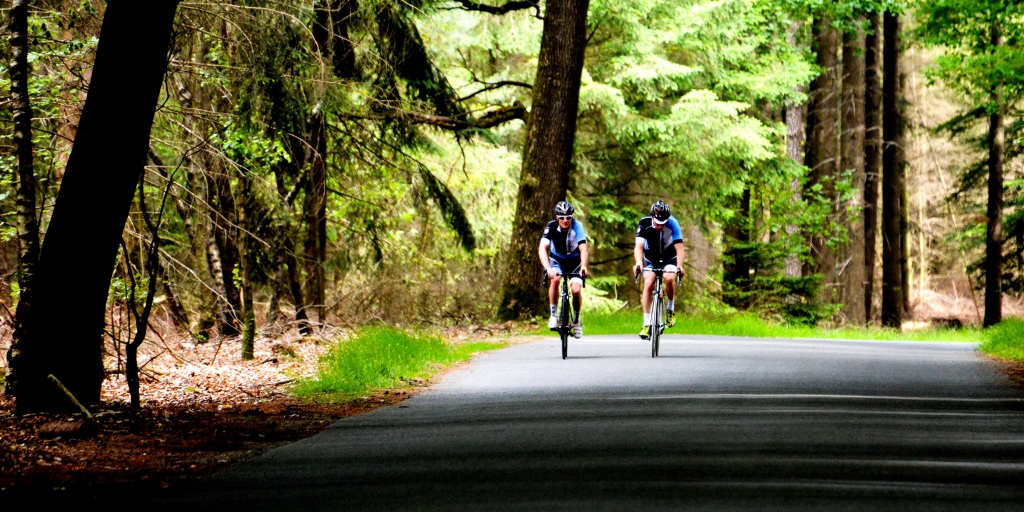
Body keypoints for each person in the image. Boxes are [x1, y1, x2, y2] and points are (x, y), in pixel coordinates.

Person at [632, 200, 685, 339]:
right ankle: (647, 324)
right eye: (657, 223)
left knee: (669, 278)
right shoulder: (644, 223)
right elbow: (638, 247)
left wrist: (679, 265)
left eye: (663, 223)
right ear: (651, 218)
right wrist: (638, 262)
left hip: (669, 256)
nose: (660, 226)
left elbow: (679, 248)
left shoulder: (673, 223)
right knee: (649, 283)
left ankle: (670, 309)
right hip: (651, 256)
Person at [539, 201, 589, 338]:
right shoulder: (551, 226)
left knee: (576, 290)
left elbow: (583, 249)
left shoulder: (577, 226)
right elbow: (542, 248)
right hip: (557, 259)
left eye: (568, 217)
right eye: (562, 217)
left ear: (572, 217)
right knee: (555, 280)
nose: (565, 220)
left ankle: (577, 321)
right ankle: (554, 315)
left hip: (575, 261)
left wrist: (584, 267)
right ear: (557, 217)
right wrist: (547, 267)